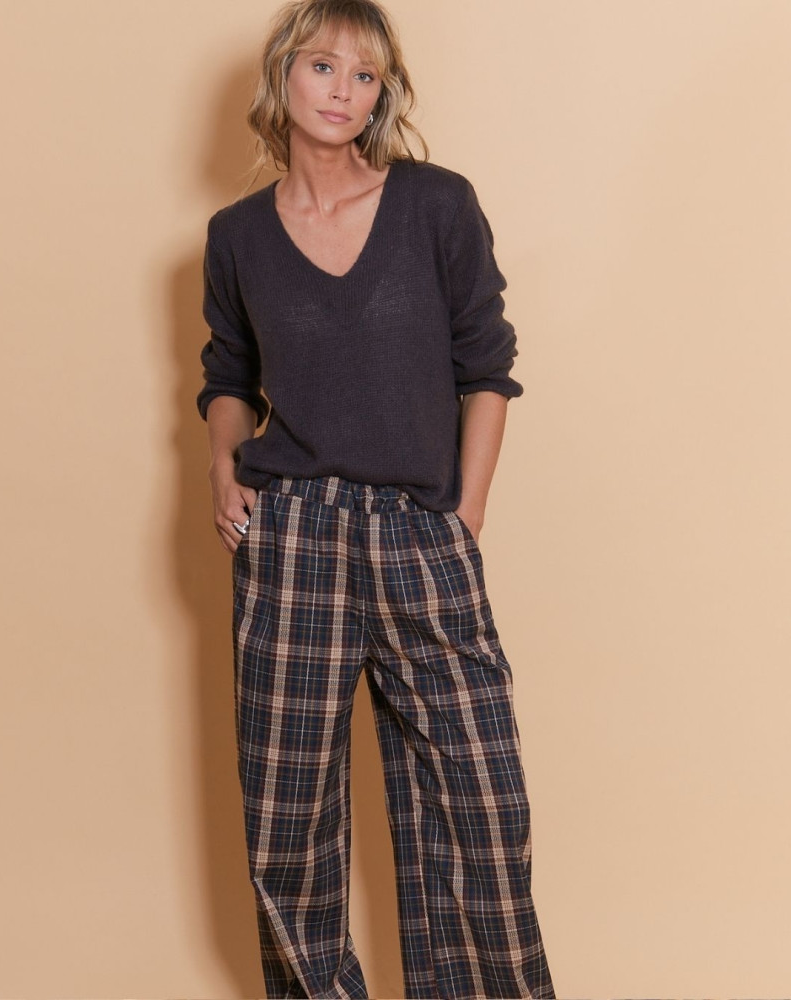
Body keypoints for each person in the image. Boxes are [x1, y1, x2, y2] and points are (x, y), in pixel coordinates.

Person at [197, 0, 555, 996]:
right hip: (291, 541)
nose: (343, 92)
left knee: (478, 809)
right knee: (290, 829)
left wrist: (462, 516)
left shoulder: (436, 204)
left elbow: (487, 368)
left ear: (381, 94)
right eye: (323, 67)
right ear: (283, 74)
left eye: (365, 76)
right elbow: (227, 377)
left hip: (417, 532)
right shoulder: (235, 236)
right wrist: (222, 463)